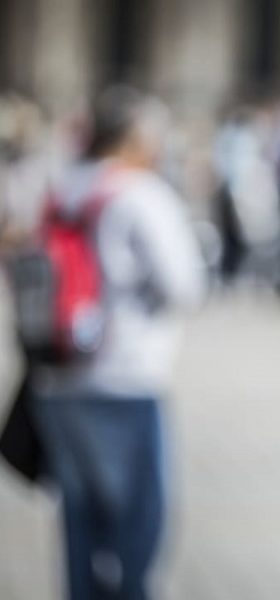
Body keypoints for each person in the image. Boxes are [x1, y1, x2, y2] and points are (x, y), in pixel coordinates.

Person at [29, 86, 206, 600]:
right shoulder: (140, 193)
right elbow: (184, 286)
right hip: (125, 377)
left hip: (57, 377)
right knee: (135, 533)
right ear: (134, 137)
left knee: (81, 524)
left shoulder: (61, 187)